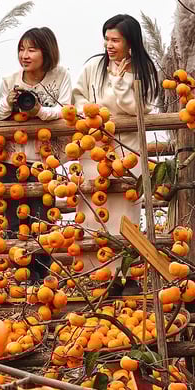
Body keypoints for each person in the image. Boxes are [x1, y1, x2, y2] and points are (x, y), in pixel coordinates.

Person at [71, 14, 160, 275]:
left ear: (130, 43)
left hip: (127, 150)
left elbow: (138, 108)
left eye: (115, 40)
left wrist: (121, 83)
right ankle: (89, 273)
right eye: (106, 39)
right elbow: (77, 98)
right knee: (92, 210)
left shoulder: (144, 71)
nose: (109, 45)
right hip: (94, 148)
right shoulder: (93, 68)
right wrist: (92, 113)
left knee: (124, 210)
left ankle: (122, 274)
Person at [0, 27, 72, 280]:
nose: (24, 55)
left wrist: (38, 110)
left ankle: (43, 277)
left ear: (46, 52)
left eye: (31, 49)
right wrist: (10, 99)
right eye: (21, 49)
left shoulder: (60, 77)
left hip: (44, 159)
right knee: (15, 221)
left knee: (43, 219)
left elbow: (65, 111)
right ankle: (21, 278)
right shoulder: (10, 80)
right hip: (12, 159)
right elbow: (0, 115)